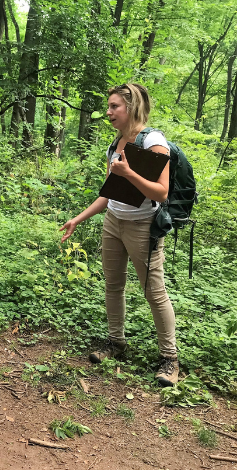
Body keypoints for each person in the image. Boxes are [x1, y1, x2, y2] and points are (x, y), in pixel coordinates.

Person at [60, 83, 179, 386]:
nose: (109, 112)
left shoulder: (153, 142)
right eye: (109, 106)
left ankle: (169, 359)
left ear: (131, 107)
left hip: (143, 227)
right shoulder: (115, 144)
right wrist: (78, 218)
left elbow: (161, 193)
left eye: (115, 106)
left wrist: (130, 174)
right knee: (113, 286)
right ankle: (116, 342)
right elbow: (109, 194)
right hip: (114, 222)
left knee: (154, 291)